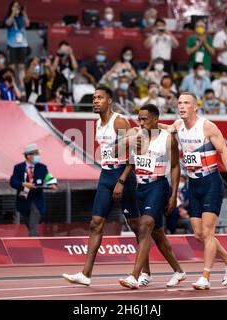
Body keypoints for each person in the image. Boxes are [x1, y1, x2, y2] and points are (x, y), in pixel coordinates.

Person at [62, 86, 152, 287]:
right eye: (94, 98)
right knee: (95, 222)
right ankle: (86, 274)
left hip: (123, 176)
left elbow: (135, 151)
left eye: (100, 98)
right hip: (105, 175)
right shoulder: (97, 123)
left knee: (136, 225)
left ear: (109, 100)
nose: (95, 101)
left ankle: (145, 272)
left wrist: (121, 180)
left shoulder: (119, 121)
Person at [161, 92, 227, 290]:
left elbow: (224, 152)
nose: (182, 106)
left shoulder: (207, 127)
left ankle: (205, 276)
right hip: (193, 184)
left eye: (186, 103)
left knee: (208, 232)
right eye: (179, 103)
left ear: (195, 107)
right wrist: (150, 125)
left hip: (211, 183)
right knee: (199, 234)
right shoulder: (178, 126)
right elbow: (168, 128)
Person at [118, 104, 187, 289]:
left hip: (158, 185)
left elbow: (174, 167)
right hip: (139, 187)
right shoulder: (137, 136)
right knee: (157, 234)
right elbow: (130, 160)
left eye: (144, 119)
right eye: (138, 119)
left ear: (156, 119)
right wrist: (122, 181)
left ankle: (135, 276)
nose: (140, 122)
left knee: (145, 225)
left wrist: (173, 195)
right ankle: (178, 271)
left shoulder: (168, 139)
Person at [10, 144, 57, 237]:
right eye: (36, 154)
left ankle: (34, 245)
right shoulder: (18, 167)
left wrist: (53, 184)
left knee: (33, 226)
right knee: (31, 227)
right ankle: (35, 240)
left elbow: (48, 177)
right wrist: (23, 184)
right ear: (28, 156)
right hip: (24, 201)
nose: (38, 156)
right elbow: (12, 181)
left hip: (37, 201)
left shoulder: (42, 167)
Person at [5, 1, 30, 90]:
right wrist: (13, 14)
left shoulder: (22, 17)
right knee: (12, 66)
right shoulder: (8, 17)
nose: (17, 8)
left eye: (18, 7)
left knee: (21, 66)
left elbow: (27, 24)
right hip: (12, 44)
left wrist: (24, 13)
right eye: (15, 6)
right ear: (11, 8)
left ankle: (22, 85)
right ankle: (13, 84)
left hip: (22, 44)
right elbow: (8, 23)